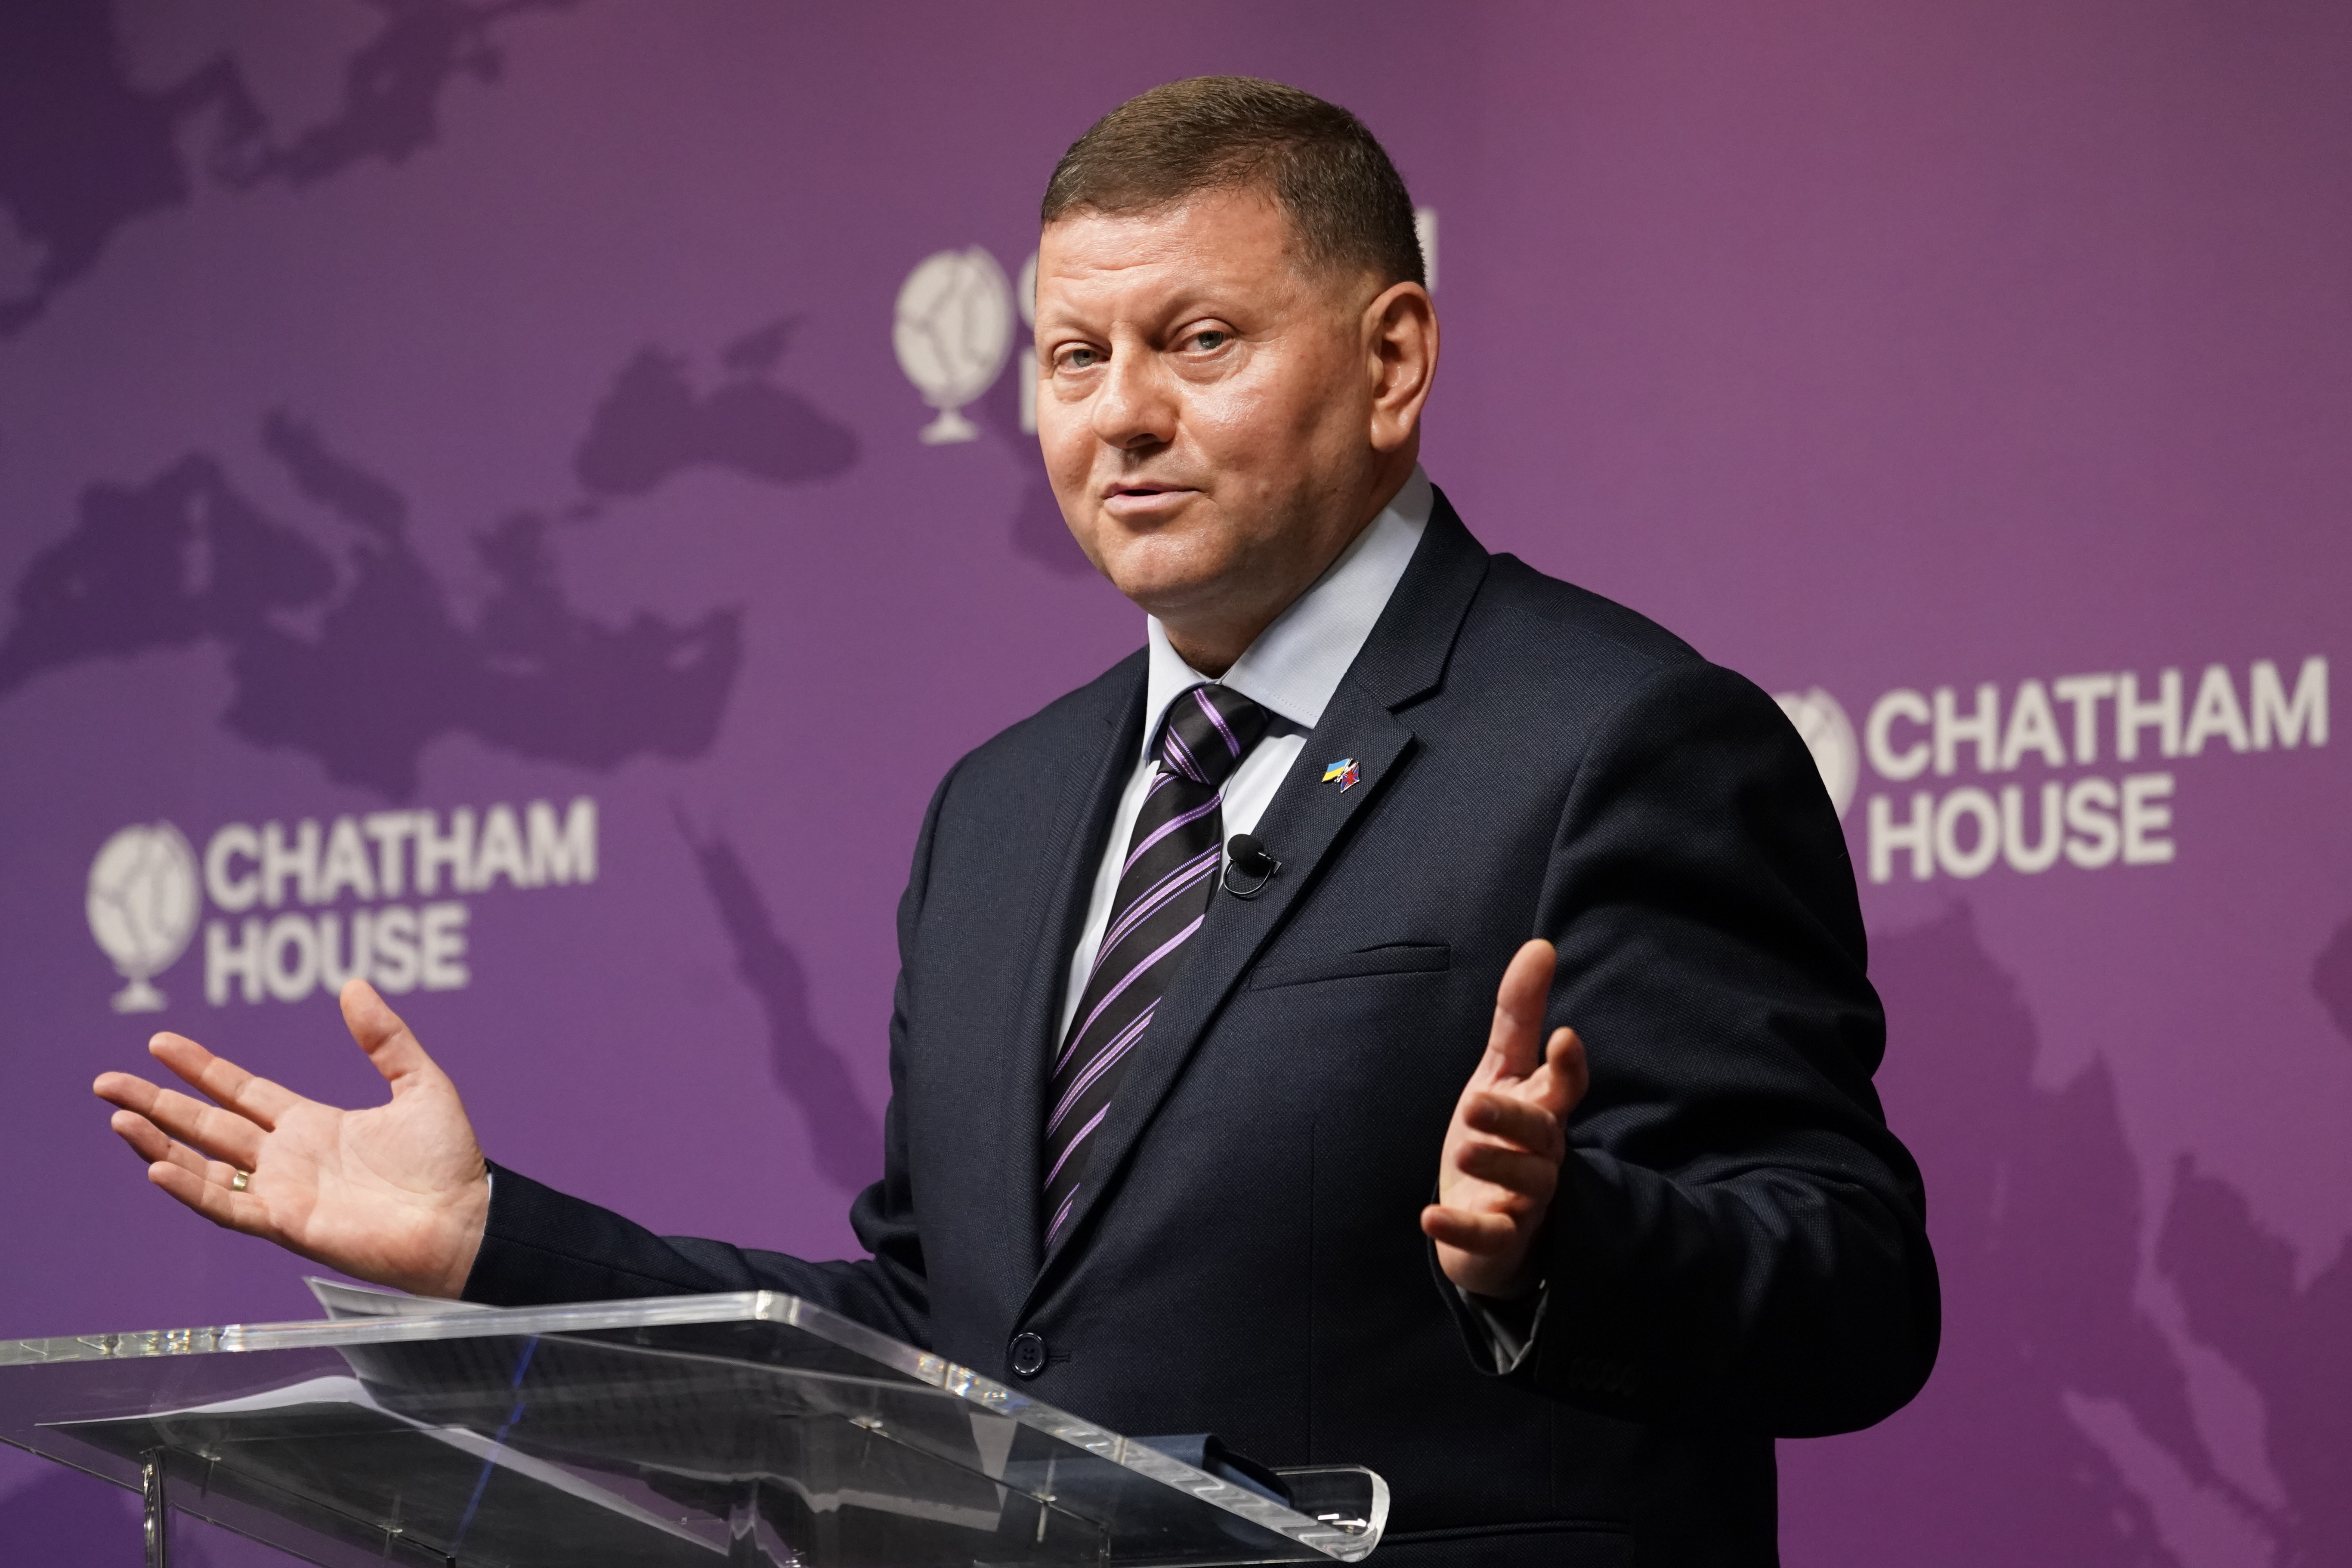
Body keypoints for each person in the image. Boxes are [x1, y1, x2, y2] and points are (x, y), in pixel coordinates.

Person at [96, 77, 1937, 1565]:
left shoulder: (1616, 737)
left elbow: (1852, 1290)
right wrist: (494, 1241)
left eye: (1196, 340)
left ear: (1390, 361)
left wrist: (1562, 1241)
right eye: (1070, 357)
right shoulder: (1006, 808)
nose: (1119, 416)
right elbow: (940, 1338)